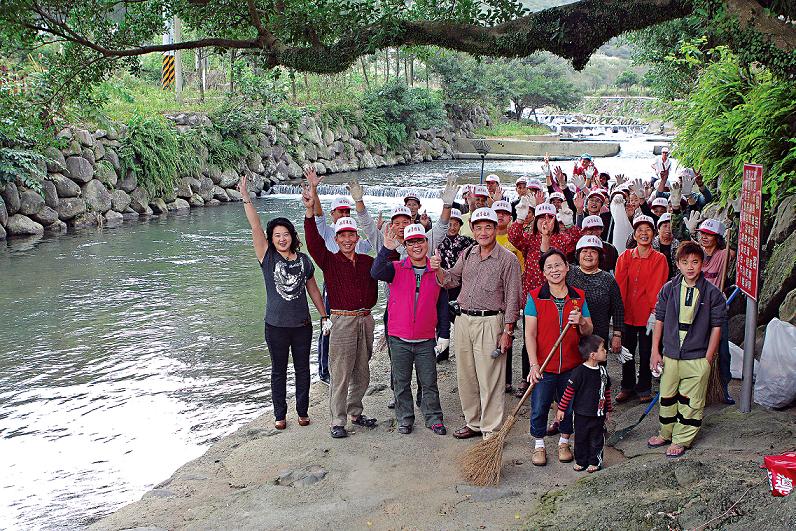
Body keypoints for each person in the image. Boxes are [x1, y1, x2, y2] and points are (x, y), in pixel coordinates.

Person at [238, 178, 326, 430]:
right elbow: (255, 226)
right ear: (271, 239)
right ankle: (280, 415)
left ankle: (302, 411)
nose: (281, 238)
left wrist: (324, 315)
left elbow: (313, 289)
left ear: (292, 236)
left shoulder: (304, 260)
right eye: (277, 235)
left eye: (285, 234)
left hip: (302, 325)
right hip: (275, 326)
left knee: (302, 369)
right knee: (278, 371)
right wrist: (246, 197)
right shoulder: (267, 256)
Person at [434, 207, 522, 440]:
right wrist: (438, 268)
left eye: (488, 227)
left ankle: (491, 430)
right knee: (466, 376)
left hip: (491, 322)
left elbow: (513, 298)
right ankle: (473, 422)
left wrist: (508, 331)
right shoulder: (468, 253)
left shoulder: (508, 259)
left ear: (495, 228)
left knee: (490, 378)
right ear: (472, 230)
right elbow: (451, 280)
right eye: (478, 227)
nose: (483, 232)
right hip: (463, 320)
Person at [303, 189, 379, 439]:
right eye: (342, 235)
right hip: (342, 319)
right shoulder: (329, 261)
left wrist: (388, 240)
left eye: (351, 235)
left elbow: (387, 259)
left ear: (357, 237)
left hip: (366, 319)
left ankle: (355, 412)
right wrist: (309, 211)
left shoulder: (368, 262)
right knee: (341, 372)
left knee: (362, 370)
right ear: (336, 239)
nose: (347, 240)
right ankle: (337, 420)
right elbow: (313, 243)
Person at [647, 242, 726, 458]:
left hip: (697, 356)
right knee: (667, 396)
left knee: (691, 401)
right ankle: (666, 433)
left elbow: (717, 327)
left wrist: (708, 358)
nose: (690, 267)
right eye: (685, 262)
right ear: (678, 264)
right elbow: (659, 320)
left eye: (695, 262)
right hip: (671, 353)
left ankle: (681, 439)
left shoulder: (712, 293)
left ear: (702, 264)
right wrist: (655, 351)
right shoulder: (669, 288)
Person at [371, 224, 448, 435]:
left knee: (429, 381)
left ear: (426, 243)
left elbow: (442, 306)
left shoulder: (436, 271)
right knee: (401, 382)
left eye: (420, 241)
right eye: (411, 242)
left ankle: (433, 417)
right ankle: (405, 418)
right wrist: (386, 249)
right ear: (405, 246)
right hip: (399, 338)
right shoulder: (395, 268)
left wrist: (444, 334)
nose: (416, 246)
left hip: (426, 339)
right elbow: (375, 271)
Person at [525, 248, 593, 466]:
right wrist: (534, 365)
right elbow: (530, 334)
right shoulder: (535, 297)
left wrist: (581, 321)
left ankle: (564, 442)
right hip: (544, 366)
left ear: (567, 267)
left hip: (572, 365)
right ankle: (539, 445)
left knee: (568, 406)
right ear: (543, 273)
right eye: (549, 267)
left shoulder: (578, 296)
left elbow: (589, 330)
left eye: (558, 265)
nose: (554, 270)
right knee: (540, 406)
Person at [305, 167, 374, 384]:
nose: (344, 215)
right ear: (332, 213)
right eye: (340, 212)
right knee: (328, 326)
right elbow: (316, 215)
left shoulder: (353, 236)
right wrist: (314, 190)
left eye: (347, 212)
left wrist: (377, 232)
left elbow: (369, 247)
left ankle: (350, 370)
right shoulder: (327, 231)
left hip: (354, 294)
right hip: (332, 286)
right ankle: (324, 370)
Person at [509, 201, 582, 394]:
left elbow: (577, 239)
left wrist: (569, 222)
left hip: (558, 296)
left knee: (555, 335)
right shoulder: (529, 239)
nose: (545, 221)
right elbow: (513, 236)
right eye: (541, 217)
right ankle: (527, 377)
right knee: (530, 337)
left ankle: (557, 378)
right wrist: (520, 218)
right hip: (534, 297)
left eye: (550, 217)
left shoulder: (561, 239)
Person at [614, 215, 670, 404]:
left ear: (653, 234)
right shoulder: (625, 257)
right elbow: (620, 285)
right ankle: (627, 386)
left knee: (647, 352)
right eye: (640, 230)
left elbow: (657, 287)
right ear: (634, 234)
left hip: (648, 315)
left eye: (648, 230)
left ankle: (644, 386)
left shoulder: (659, 259)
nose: (644, 233)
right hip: (628, 313)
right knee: (626, 351)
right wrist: (618, 311)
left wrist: (655, 312)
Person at [556, 335, 613, 472]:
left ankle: (595, 461)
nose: (606, 351)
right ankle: (581, 460)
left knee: (597, 439)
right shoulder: (579, 372)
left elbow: (606, 391)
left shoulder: (603, 372)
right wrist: (561, 409)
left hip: (598, 414)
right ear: (593, 355)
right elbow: (569, 392)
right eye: (602, 349)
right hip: (581, 414)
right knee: (580, 438)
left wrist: (608, 409)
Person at [695, 218, 734, 404]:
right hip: (695, 310)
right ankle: (697, 388)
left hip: (717, 310)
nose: (704, 237)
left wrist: (734, 223)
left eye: (709, 235)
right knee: (697, 350)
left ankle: (723, 388)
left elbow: (733, 252)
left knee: (723, 352)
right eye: (702, 233)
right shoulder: (696, 254)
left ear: (717, 238)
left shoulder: (722, 255)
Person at [567, 235, 624, 354]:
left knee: (596, 363)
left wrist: (617, 335)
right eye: (584, 251)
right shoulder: (569, 273)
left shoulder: (608, 279)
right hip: (570, 334)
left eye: (593, 251)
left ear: (600, 256)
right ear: (578, 255)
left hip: (598, 335)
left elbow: (618, 308)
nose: (588, 255)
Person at [434, 208, 476, 362]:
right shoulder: (437, 241)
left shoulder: (468, 242)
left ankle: (465, 351)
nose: (452, 227)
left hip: (460, 285)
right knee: (441, 319)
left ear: (460, 225)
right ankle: (442, 354)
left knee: (460, 318)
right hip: (441, 285)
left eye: (455, 224)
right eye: (449, 224)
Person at [494, 200, 525, 393]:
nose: (500, 216)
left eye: (504, 213)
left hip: (510, 293)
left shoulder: (515, 238)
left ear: (510, 217)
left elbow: (522, 269)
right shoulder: (485, 237)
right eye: (497, 213)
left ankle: (507, 380)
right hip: (492, 295)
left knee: (508, 333)